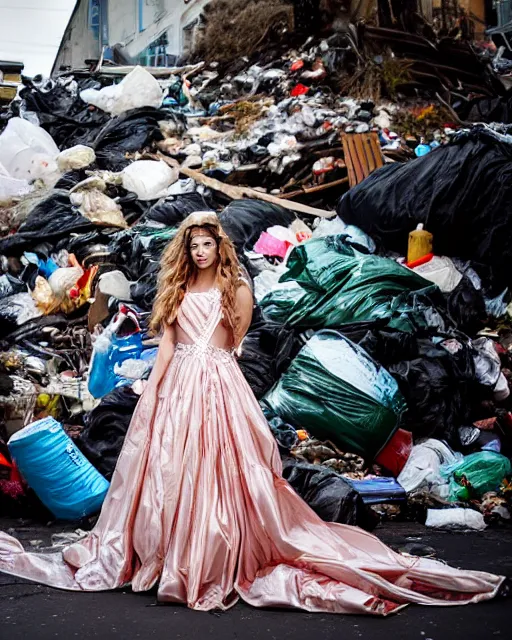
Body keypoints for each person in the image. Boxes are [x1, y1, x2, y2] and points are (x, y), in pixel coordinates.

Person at [0, 212, 508, 613]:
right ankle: (168, 554)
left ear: (219, 245)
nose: (200, 251)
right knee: (172, 469)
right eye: (193, 245)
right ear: (186, 249)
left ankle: (208, 555)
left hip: (218, 380)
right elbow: (169, 346)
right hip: (177, 381)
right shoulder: (176, 290)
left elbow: (236, 341)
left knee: (223, 467)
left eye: (207, 244)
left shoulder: (235, 288)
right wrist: (151, 394)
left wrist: (213, 364)